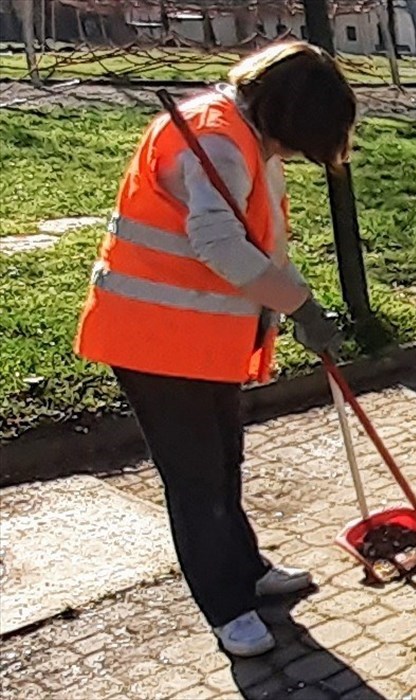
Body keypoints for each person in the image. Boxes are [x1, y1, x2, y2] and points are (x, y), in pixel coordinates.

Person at [74, 42, 356, 657]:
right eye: (299, 140)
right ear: (286, 113)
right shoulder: (216, 140)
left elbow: (255, 238)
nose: (294, 155)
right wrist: (299, 304)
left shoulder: (242, 136)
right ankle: (227, 608)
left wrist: (284, 302)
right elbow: (220, 245)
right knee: (195, 482)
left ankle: (247, 571)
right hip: (152, 340)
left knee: (224, 464)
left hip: (197, 340)